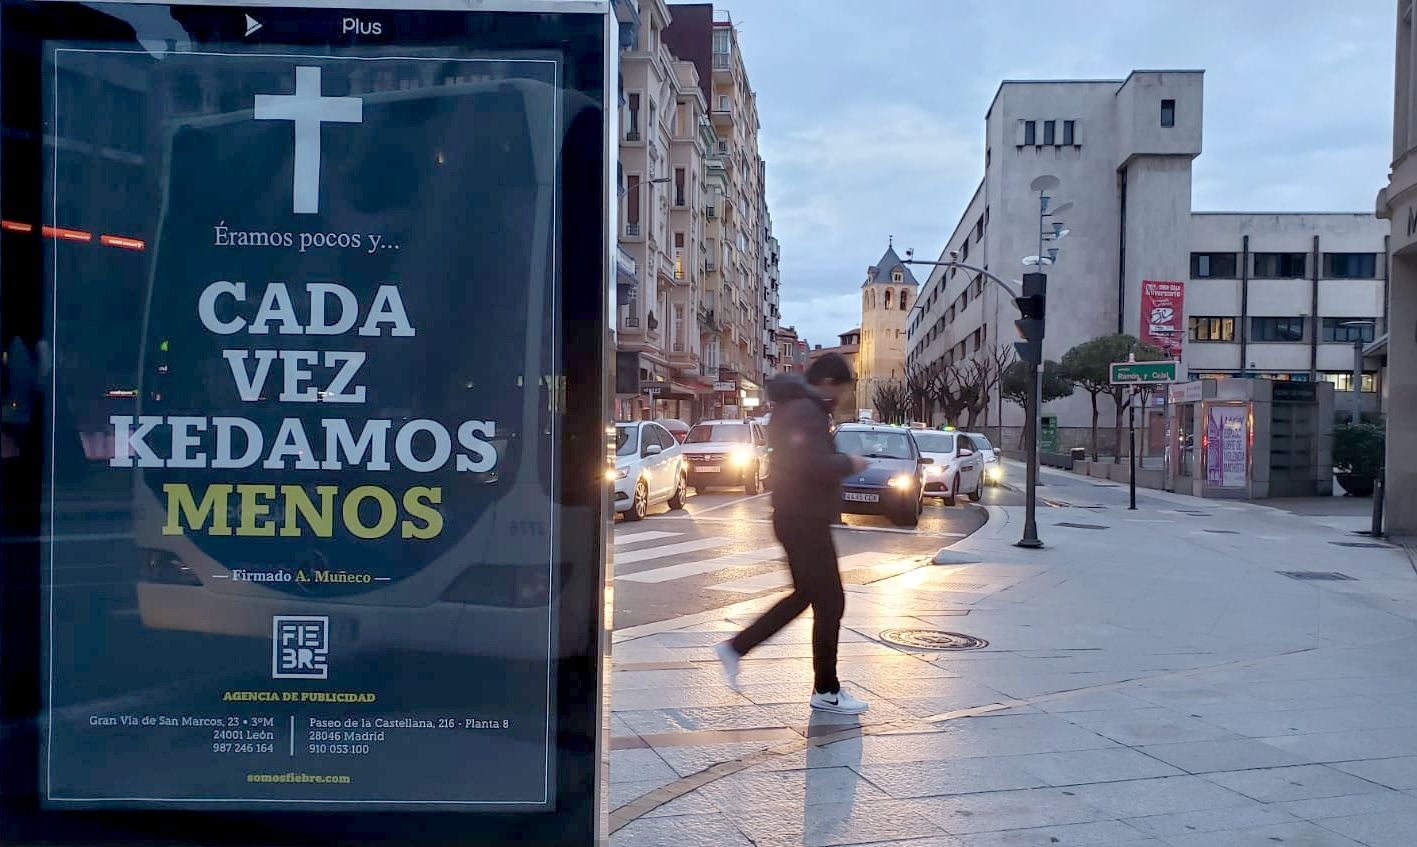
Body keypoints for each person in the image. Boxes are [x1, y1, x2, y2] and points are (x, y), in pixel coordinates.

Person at [713, 353, 871, 714]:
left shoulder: (799, 406)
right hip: (803, 518)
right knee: (829, 601)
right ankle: (826, 691)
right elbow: (808, 462)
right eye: (844, 388)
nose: (845, 396)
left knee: (808, 597)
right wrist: (850, 463)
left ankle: (737, 648)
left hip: (799, 516)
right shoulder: (805, 410)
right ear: (829, 383)